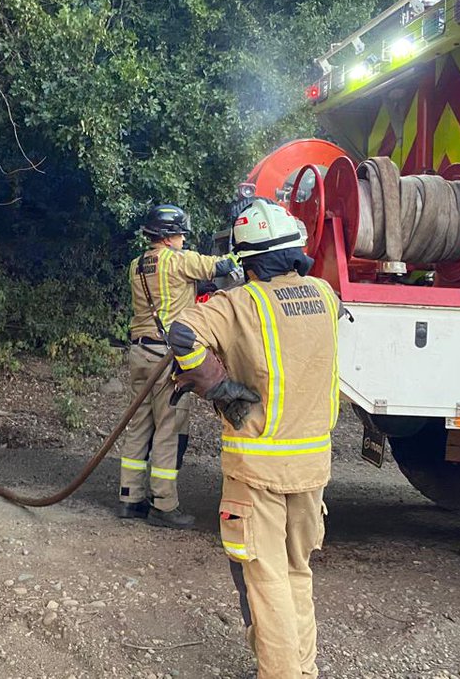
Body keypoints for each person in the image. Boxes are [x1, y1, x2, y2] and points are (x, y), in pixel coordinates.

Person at [167, 197, 342, 679]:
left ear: (247, 261)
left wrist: (221, 389)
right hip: (312, 467)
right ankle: (303, 670)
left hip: (257, 466)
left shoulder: (240, 303)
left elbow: (182, 335)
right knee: (297, 571)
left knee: (264, 579)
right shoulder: (326, 296)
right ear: (295, 251)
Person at [120, 204, 242, 529]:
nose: (184, 240)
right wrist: (239, 248)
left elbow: (168, 294)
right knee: (168, 429)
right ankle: (164, 505)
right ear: (169, 235)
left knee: (139, 426)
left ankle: (130, 498)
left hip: (139, 353)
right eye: (180, 234)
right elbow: (222, 265)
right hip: (166, 359)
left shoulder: (137, 265)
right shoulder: (179, 260)